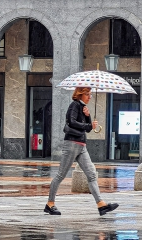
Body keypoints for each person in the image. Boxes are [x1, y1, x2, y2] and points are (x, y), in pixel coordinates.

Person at [44, 87, 119, 216]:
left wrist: (88, 116)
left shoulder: (83, 108)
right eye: (87, 94)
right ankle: (50, 204)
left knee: (91, 174)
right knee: (61, 175)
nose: (90, 97)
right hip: (72, 144)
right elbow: (72, 122)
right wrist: (87, 125)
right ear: (80, 94)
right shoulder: (74, 105)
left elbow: (88, 129)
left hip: (82, 146)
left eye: (90, 94)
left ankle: (101, 204)